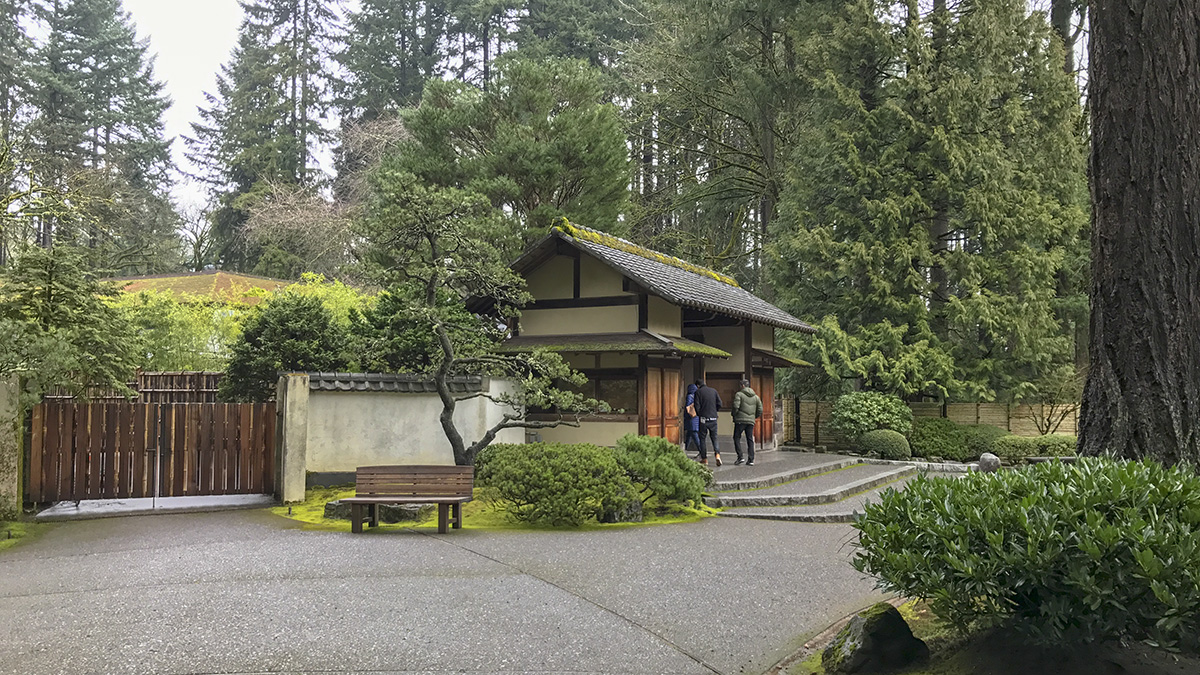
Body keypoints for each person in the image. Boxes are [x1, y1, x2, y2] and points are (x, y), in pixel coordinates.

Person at [732, 379, 764, 466]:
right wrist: (754, 416)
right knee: (749, 439)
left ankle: (740, 457)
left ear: (742, 386)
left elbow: (735, 406)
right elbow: (760, 409)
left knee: (736, 437)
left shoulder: (739, 394)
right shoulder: (756, 397)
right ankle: (751, 459)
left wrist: (734, 415)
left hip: (740, 420)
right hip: (750, 421)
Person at [693, 378, 723, 466]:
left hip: (703, 419)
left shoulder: (698, 392)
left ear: (698, 386)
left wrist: (700, 414)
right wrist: (715, 411)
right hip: (713, 418)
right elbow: (720, 403)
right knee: (714, 437)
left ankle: (704, 458)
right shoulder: (713, 391)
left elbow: (697, 406)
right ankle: (717, 455)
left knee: (702, 439)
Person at [682, 383, 701, 456]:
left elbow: (688, 407)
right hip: (696, 417)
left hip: (690, 418)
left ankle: (701, 450)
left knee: (693, 434)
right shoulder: (697, 396)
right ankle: (685, 447)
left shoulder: (690, 396)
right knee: (689, 434)